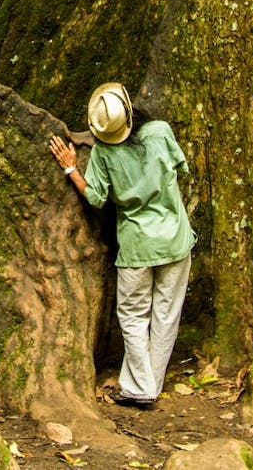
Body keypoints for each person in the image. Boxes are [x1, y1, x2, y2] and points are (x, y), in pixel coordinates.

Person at [48, 81, 194, 409]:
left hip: (137, 247)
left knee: (132, 314)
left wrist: (72, 168)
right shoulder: (160, 132)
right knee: (166, 314)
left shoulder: (103, 152)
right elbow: (179, 167)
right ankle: (148, 384)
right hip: (174, 239)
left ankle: (140, 387)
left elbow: (97, 198)